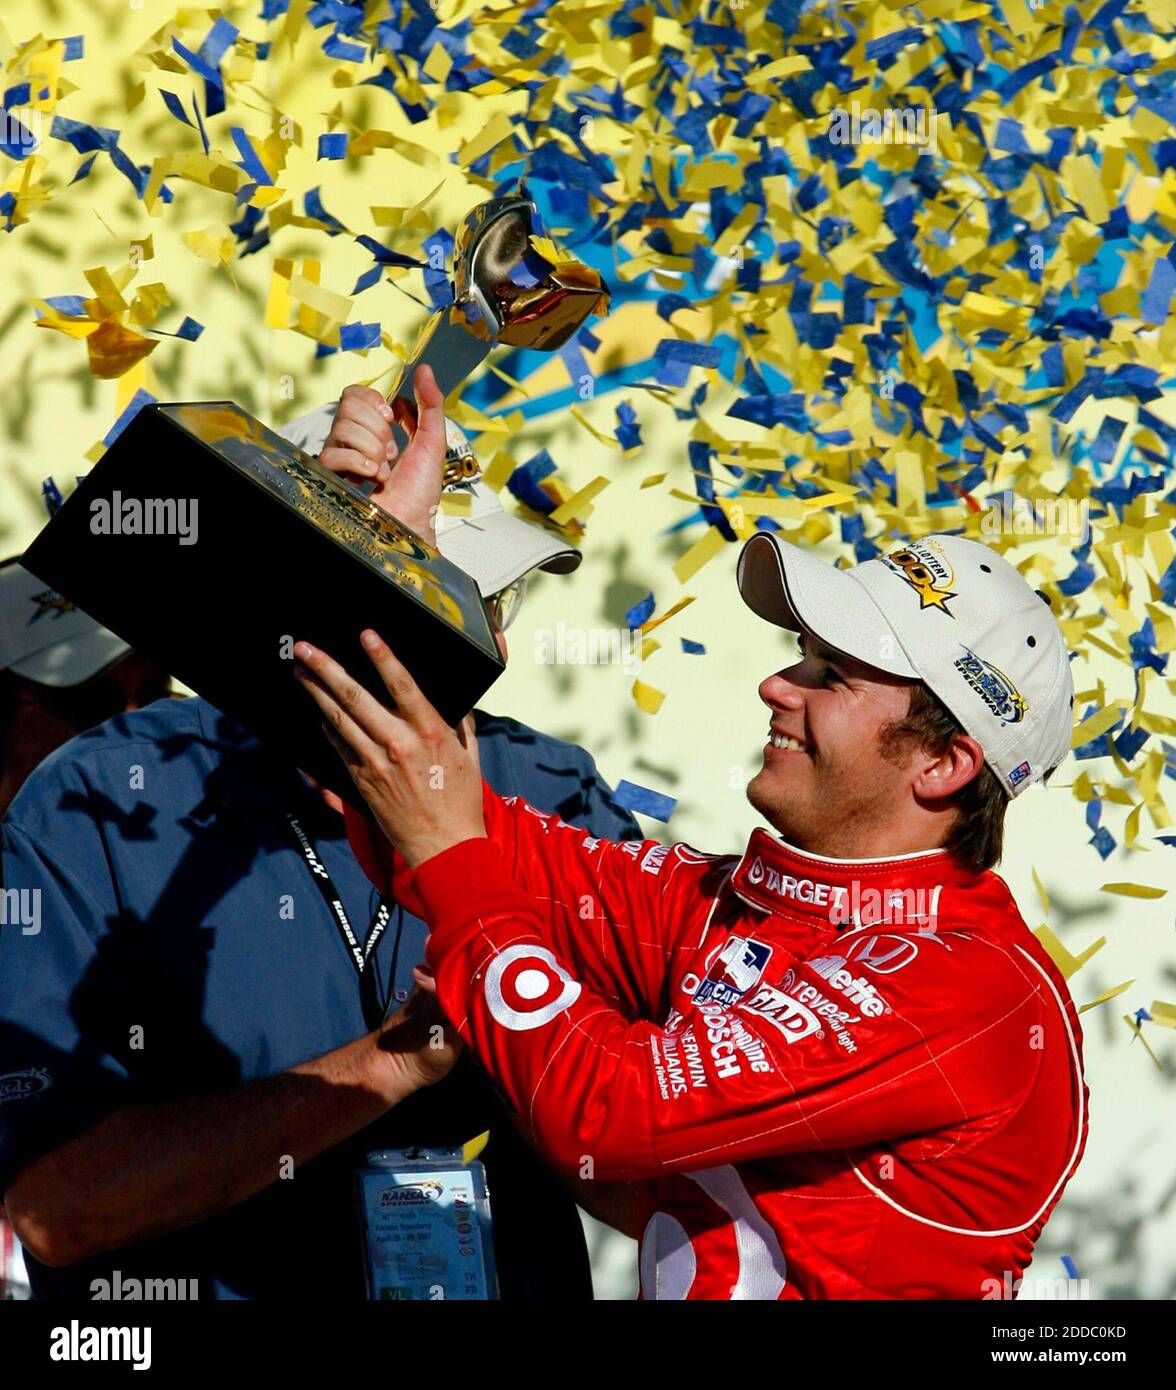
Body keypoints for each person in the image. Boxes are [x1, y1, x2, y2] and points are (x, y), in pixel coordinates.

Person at [292, 473, 1090, 1296]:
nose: (777, 686)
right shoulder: (738, 903)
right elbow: (435, 815)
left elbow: (612, 1108)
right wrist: (384, 556)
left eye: (832, 676)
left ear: (944, 762)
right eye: (801, 658)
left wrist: (450, 850)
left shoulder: (975, 990)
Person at [0, 365, 641, 1300]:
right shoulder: (102, 796)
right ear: (295, 601)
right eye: (449, 603)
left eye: (494, 605)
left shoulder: (552, 788)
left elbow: (662, 1152)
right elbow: (60, 1210)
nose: (490, 647)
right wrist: (397, 1059)